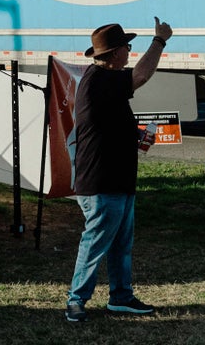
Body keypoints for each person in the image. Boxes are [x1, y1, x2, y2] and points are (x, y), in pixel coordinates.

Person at [65, 17, 172, 323]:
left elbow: (108, 124)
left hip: (118, 180)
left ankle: (121, 297)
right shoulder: (100, 80)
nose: (129, 51)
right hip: (101, 182)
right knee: (95, 243)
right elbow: (140, 76)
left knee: (120, 245)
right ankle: (76, 300)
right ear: (114, 54)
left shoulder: (105, 83)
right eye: (127, 46)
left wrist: (137, 136)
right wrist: (160, 40)